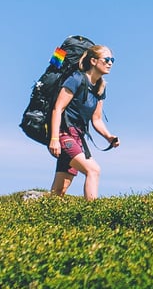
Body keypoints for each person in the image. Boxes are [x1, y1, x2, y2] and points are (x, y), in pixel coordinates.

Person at [48, 44, 120, 200]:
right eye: (106, 59)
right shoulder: (76, 79)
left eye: (112, 60)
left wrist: (109, 136)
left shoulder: (100, 87)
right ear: (93, 61)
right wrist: (54, 139)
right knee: (93, 170)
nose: (110, 63)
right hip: (64, 134)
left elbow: (97, 119)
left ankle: (43, 218)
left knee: (60, 190)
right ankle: (92, 214)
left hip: (78, 138)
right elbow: (57, 109)